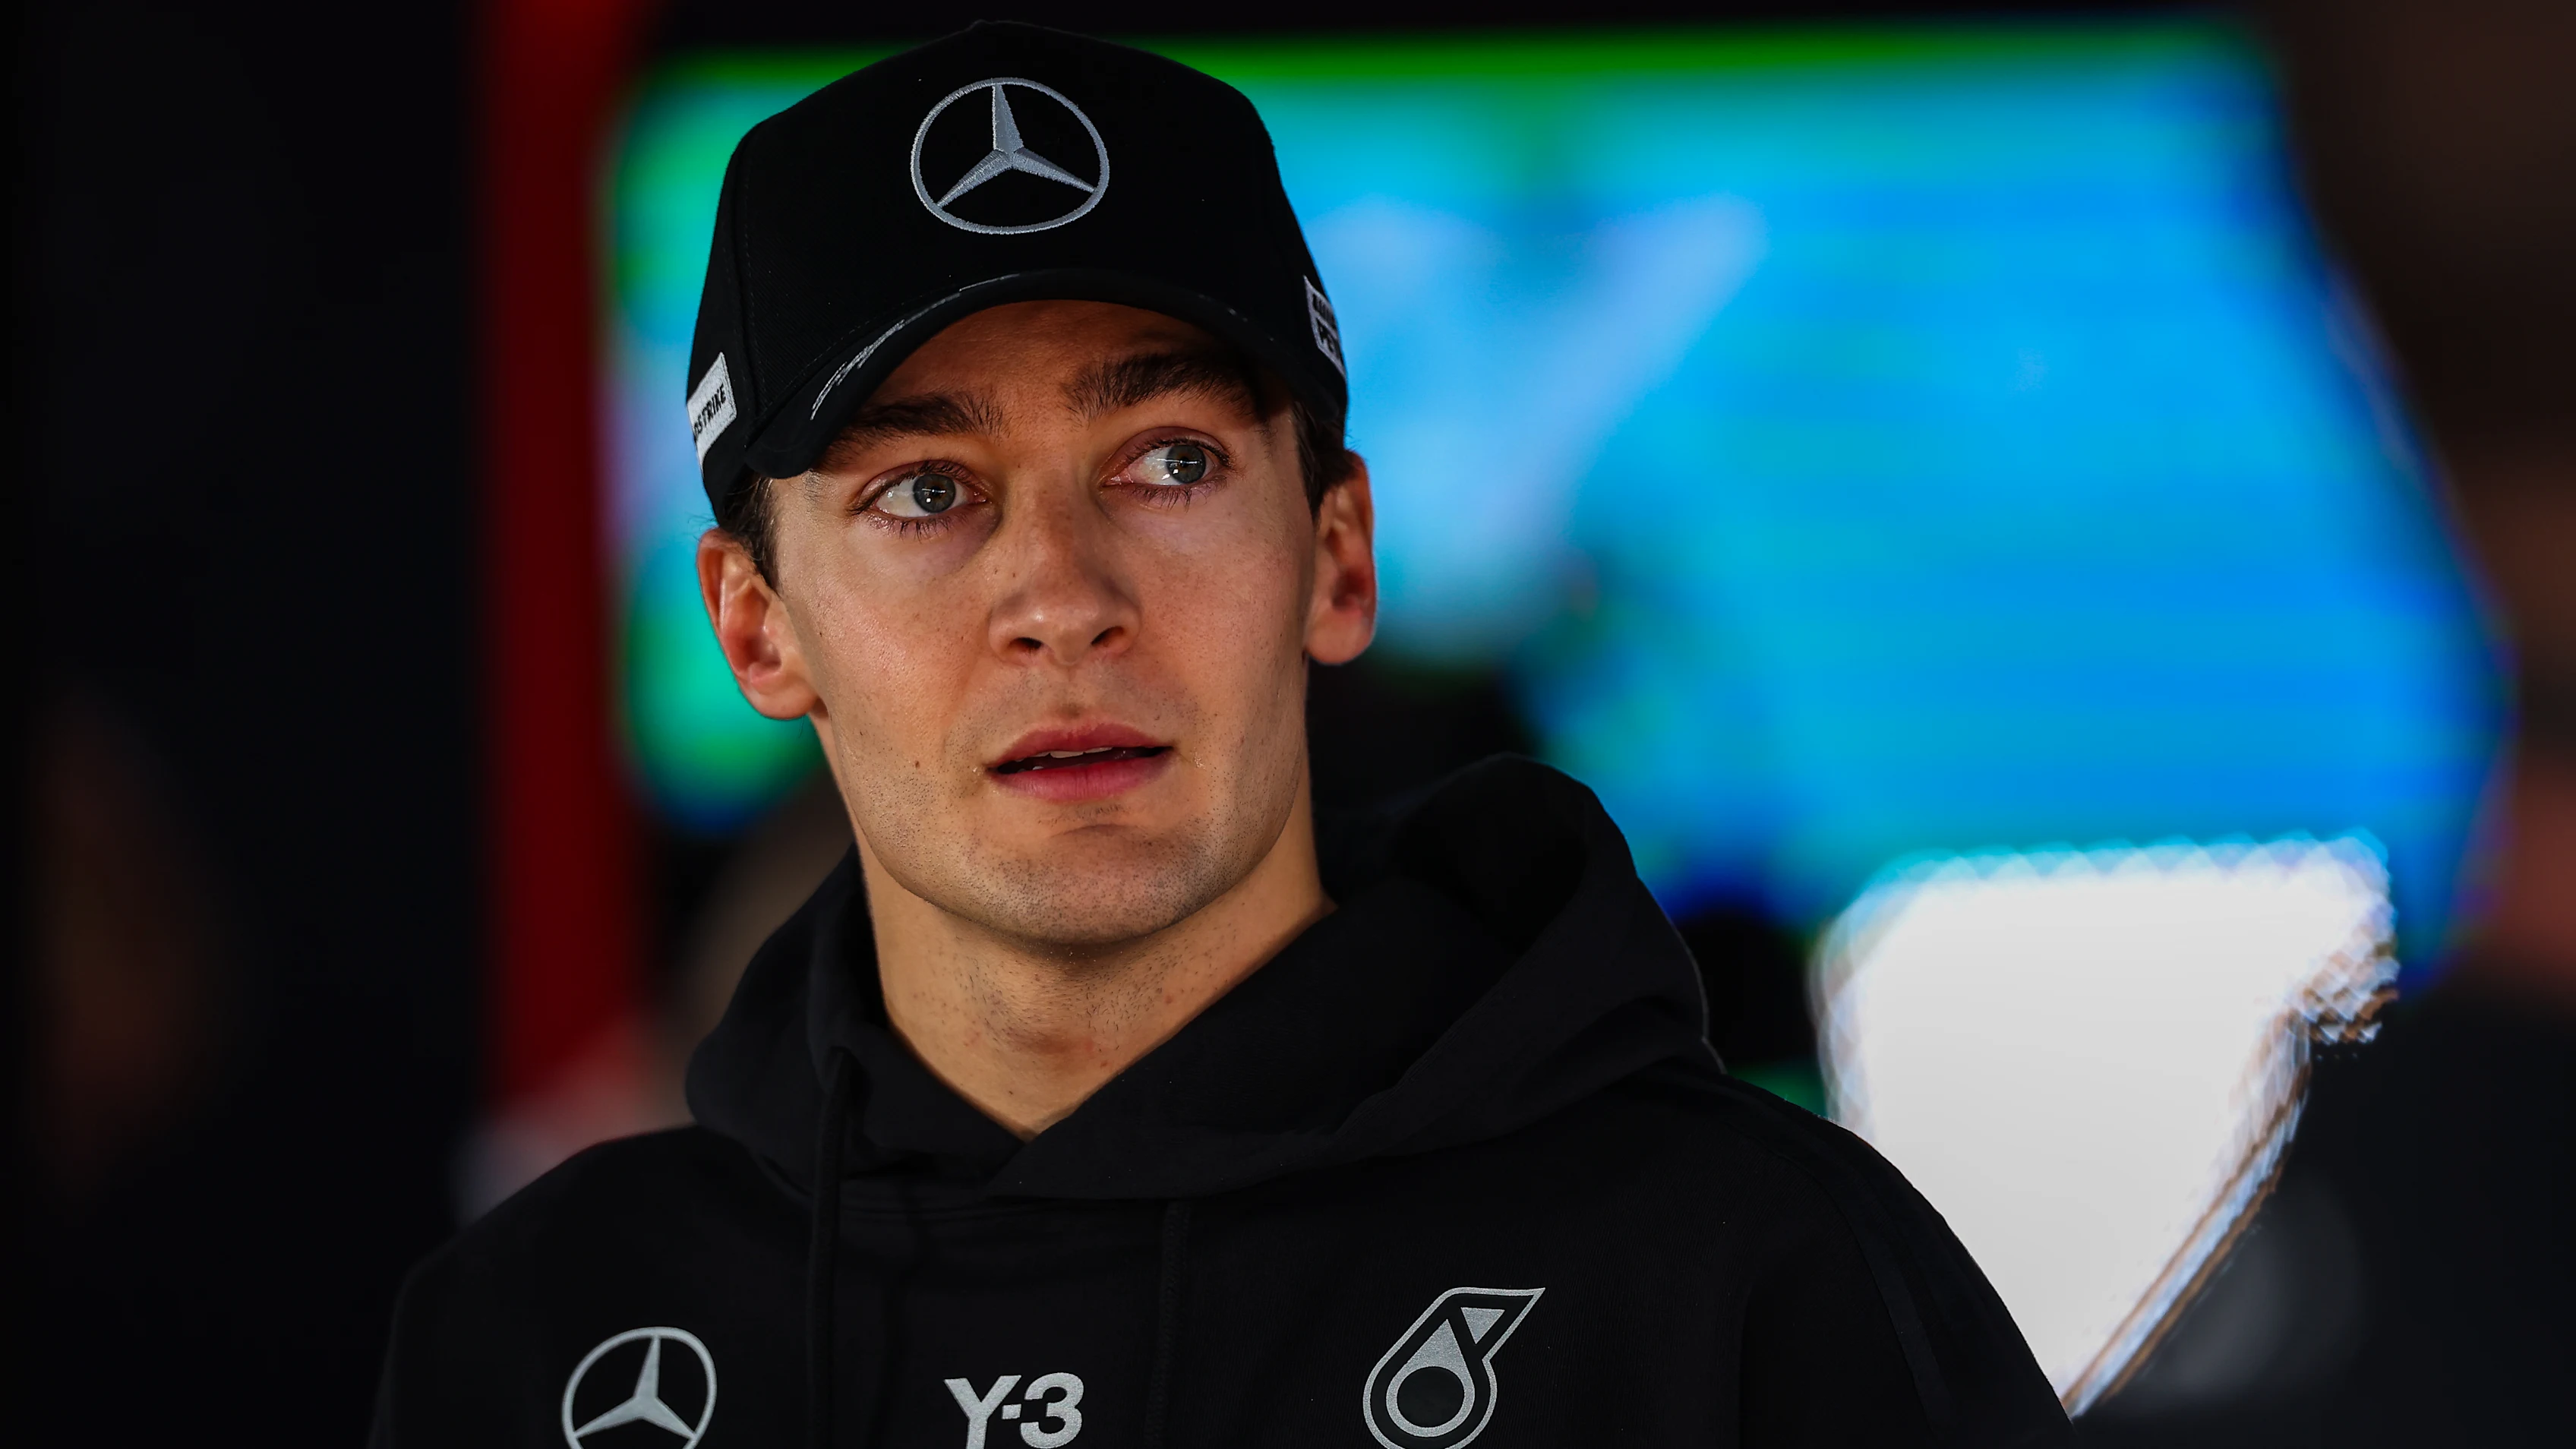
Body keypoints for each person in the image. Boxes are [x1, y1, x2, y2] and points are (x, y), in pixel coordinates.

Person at [372, 23, 2069, 1448]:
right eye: (925, 493)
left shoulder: (1742, 1276)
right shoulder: (535, 1337)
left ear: (1336, 559)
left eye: (1169, 463)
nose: (1061, 596)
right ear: (756, 624)